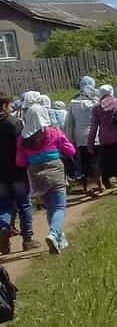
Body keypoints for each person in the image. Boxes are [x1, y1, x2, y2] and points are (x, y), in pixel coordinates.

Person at [17, 104, 75, 254]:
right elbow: (70, 150)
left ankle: (59, 239)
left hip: (35, 173)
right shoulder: (53, 132)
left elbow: (20, 162)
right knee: (60, 206)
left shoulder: (22, 138)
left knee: (50, 207)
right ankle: (54, 233)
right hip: (55, 169)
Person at [0, 93, 35, 253]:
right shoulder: (13, 123)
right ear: (5, 105)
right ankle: (27, 240)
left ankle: (3, 230)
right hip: (17, 170)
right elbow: (23, 145)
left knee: (4, 205)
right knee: (25, 205)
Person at [88, 85, 117, 195]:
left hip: (105, 139)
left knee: (113, 162)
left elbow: (93, 127)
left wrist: (90, 143)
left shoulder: (97, 108)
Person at [65, 77, 101, 195]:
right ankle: (97, 185)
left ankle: (88, 186)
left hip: (80, 136)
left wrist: (70, 139)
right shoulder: (96, 101)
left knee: (85, 161)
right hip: (95, 135)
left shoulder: (73, 102)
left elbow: (69, 123)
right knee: (96, 160)